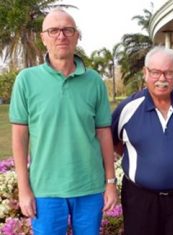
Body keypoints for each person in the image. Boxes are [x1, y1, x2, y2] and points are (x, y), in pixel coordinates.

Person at [9, 8, 118, 234]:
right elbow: (19, 138)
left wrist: (110, 182)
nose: (61, 36)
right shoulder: (26, 80)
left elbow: (104, 134)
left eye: (68, 30)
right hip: (45, 190)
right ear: (43, 38)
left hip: (89, 187)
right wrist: (24, 188)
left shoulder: (94, 81)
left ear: (76, 36)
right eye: (53, 30)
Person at [111, 46, 173, 235]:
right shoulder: (128, 108)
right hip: (141, 199)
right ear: (145, 73)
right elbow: (115, 143)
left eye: (169, 72)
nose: (162, 78)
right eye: (155, 72)